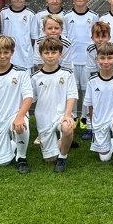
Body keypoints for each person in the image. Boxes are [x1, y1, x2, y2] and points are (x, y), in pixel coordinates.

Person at [0, 36, 34, 173]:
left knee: (22, 126)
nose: (2, 56)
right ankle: (14, 142)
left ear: (12, 52)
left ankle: (21, 158)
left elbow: (28, 97)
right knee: (2, 162)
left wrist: (20, 116)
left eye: (6, 52)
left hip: (15, 114)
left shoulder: (21, 73)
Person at [30, 37, 77, 172]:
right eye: (46, 53)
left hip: (62, 114)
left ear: (60, 54)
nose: (50, 56)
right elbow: (30, 99)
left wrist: (67, 115)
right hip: (44, 117)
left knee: (67, 127)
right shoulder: (35, 77)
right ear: (41, 55)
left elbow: (72, 95)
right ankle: (58, 144)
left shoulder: (67, 74)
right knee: (50, 159)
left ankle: (63, 157)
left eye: (54, 52)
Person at [83, 42, 113, 169]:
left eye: (110, 58)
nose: (106, 61)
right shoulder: (92, 81)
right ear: (97, 59)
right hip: (99, 120)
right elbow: (90, 105)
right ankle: (112, 142)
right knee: (104, 158)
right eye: (102, 58)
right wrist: (92, 122)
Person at [62, 0, 99, 134]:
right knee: (72, 92)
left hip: (87, 61)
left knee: (87, 93)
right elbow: (63, 37)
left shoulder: (94, 16)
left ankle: (86, 123)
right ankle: (71, 120)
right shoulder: (66, 16)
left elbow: (97, 38)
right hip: (71, 61)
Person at [0, 0, 37, 69]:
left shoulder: (31, 14)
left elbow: (34, 39)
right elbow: (0, 34)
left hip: (26, 60)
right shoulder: (3, 13)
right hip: (8, 59)